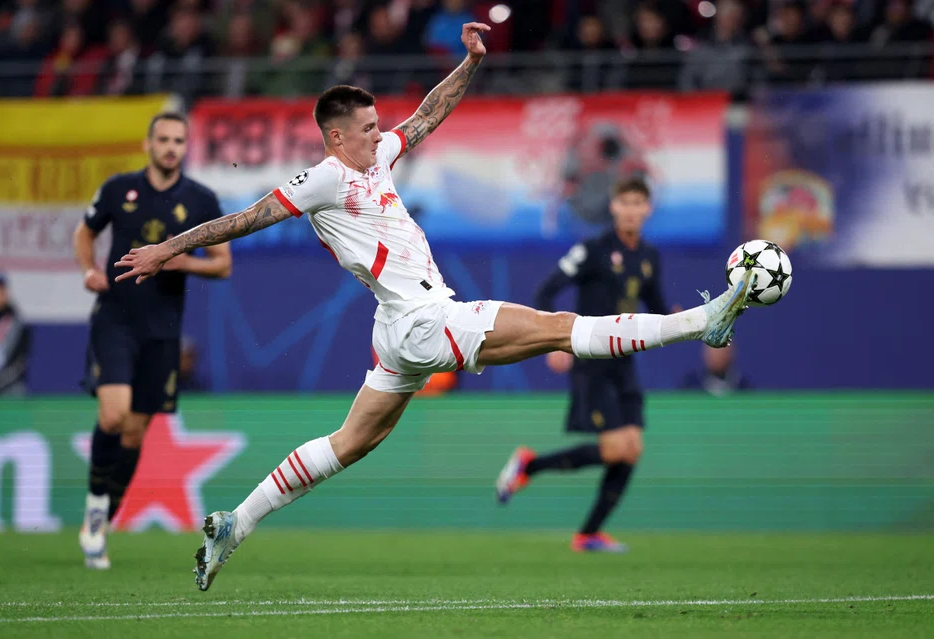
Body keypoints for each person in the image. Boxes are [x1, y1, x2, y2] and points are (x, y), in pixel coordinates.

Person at [113, 23, 757, 592]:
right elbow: (246, 218)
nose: (380, 135)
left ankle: (235, 523)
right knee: (562, 330)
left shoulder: (376, 159)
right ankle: (706, 321)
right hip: (423, 322)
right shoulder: (327, 177)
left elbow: (425, 116)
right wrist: (165, 249)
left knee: (350, 443)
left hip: (400, 330)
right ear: (335, 136)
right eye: (366, 129)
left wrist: (470, 64)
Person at [73, 112, 232, 570]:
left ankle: (100, 521)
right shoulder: (118, 190)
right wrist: (88, 268)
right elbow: (84, 232)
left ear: (186, 147)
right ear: (148, 144)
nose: (170, 147)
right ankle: (97, 507)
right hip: (115, 319)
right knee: (114, 413)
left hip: (162, 331)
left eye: (178, 140)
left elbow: (223, 264)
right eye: (162, 139)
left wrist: (184, 263)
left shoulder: (200, 200)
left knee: (136, 431)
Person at [494, 178, 673, 553]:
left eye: (638, 202)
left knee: (632, 448)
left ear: (647, 209)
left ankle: (588, 533)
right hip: (591, 358)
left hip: (624, 362)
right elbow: (547, 289)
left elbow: (656, 306)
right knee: (614, 449)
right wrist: (552, 340)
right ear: (613, 207)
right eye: (624, 201)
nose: (631, 209)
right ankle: (529, 467)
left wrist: (687, 321)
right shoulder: (592, 249)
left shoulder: (649, 256)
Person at [679, 342, 752, 395]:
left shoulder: (743, 388)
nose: (718, 355)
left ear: (731, 353)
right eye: (714, 350)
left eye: (722, 350)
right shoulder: (690, 387)